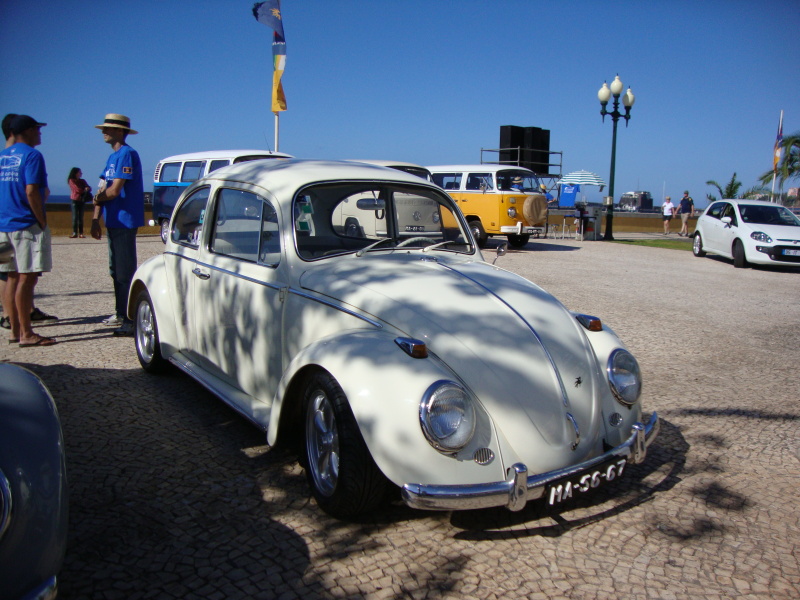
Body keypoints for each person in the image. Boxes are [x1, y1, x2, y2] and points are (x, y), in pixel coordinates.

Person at [0, 115, 57, 346]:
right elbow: (32, 190)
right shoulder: (32, 155)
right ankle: (26, 333)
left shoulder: (3, 157)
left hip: (4, 226)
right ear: (29, 131)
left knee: (11, 276)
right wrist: (41, 220)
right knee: (27, 277)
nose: (40, 133)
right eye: (38, 129)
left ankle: (15, 331)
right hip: (25, 225)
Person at [91, 114, 144, 337]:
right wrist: (96, 217)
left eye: (109, 128)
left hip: (124, 220)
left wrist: (98, 199)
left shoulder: (127, 155)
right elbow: (102, 186)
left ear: (121, 131)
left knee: (125, 272)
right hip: (113, 219)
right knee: (115, 271)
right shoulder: (112, 158)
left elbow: (111, 191)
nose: (105, 131)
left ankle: (130, 319)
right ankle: (120, 313)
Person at [68, 167, 91, 238]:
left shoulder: (83, 181)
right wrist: (85, 189)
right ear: (75, 173)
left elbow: (89, 187)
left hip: (82, 200)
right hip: (75, 199)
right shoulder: (71, 180)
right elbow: (76, 189)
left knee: (81, 217)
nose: (81, 174)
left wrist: (87, 188)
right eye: (79, 172)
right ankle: (75, 232)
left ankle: (81, 233)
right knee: (75, 217)